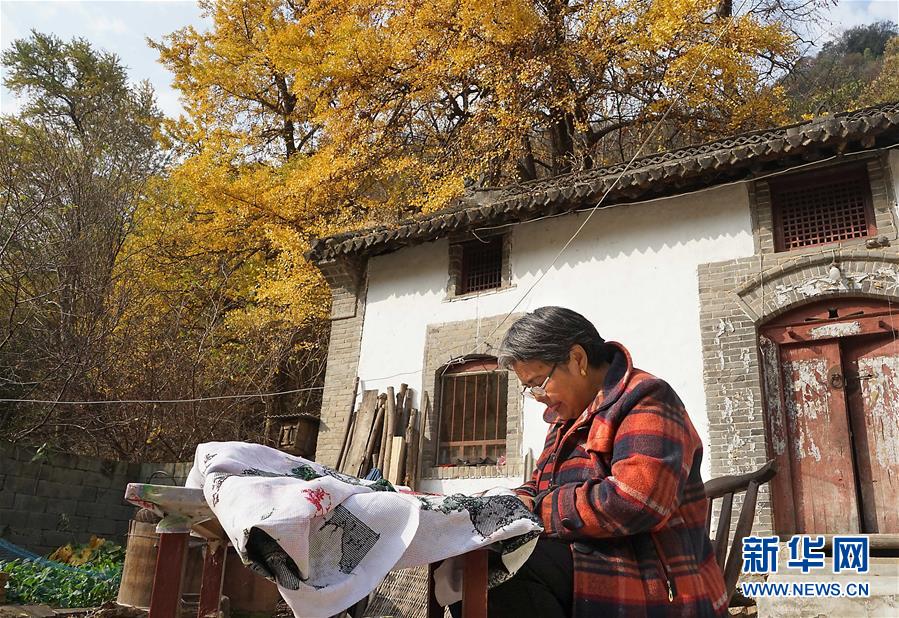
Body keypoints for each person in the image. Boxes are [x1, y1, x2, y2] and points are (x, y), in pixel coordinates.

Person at [460, 306, 728, 617]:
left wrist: (533, 510)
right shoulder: (564, 417)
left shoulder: (646, 398)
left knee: (503, 577)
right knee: (471, 566)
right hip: (591, 559)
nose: (537, 396)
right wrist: (511, 502)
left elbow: (636, 501)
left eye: (539, 383)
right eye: (529, 389)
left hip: (653, 579)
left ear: (577, 359)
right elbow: (539, 484)